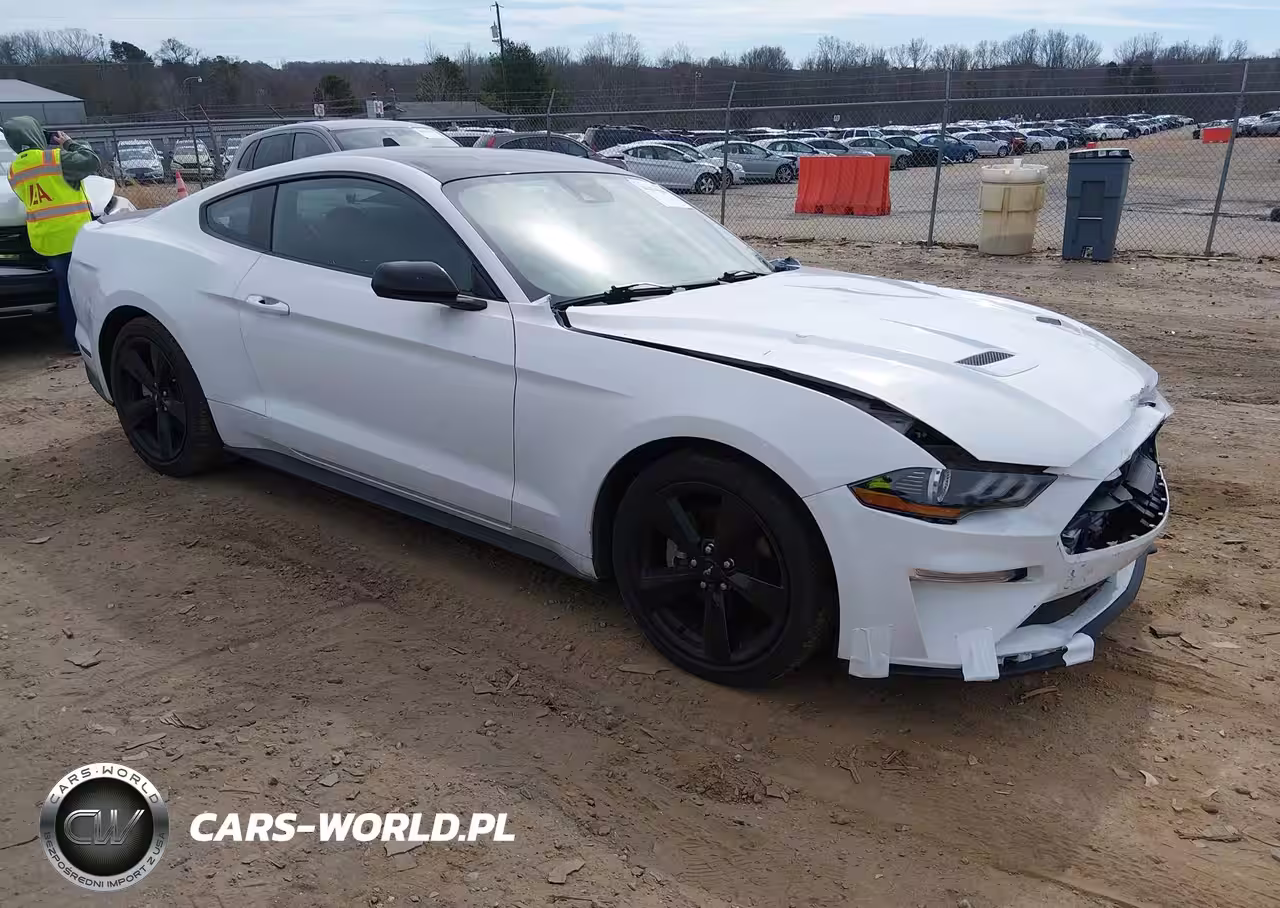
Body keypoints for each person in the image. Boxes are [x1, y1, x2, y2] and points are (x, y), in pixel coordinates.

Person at [3, 117, 101, 353]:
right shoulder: (55, 159)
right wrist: (69, 143)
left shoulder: (14, 170)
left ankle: (72, 338)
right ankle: (83, 339)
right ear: (34, 135)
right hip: (73, 234)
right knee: (81, 289)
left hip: (46, 239)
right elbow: (91, 161)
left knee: (65, 289)